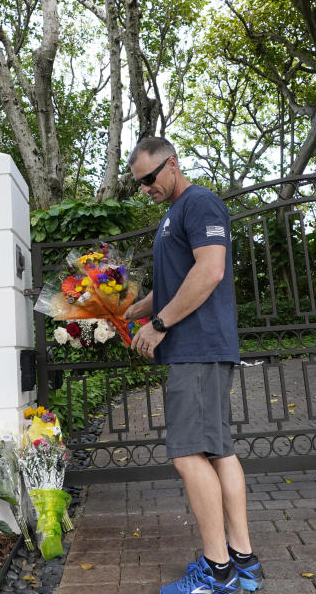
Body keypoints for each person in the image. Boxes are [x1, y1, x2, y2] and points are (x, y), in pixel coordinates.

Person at [123, 137, 264, 594]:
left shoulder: (198, 202)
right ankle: (242, 561)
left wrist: (159, 324)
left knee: (187, 455)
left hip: (196, 348)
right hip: (198, 348)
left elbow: (210, 271)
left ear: (173, 164)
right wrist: (129, 311)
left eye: (149, 178)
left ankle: (217, 570)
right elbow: (174, 283)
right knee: (219, 451)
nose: (145, 188)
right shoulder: (172, 217)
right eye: (138, 184)